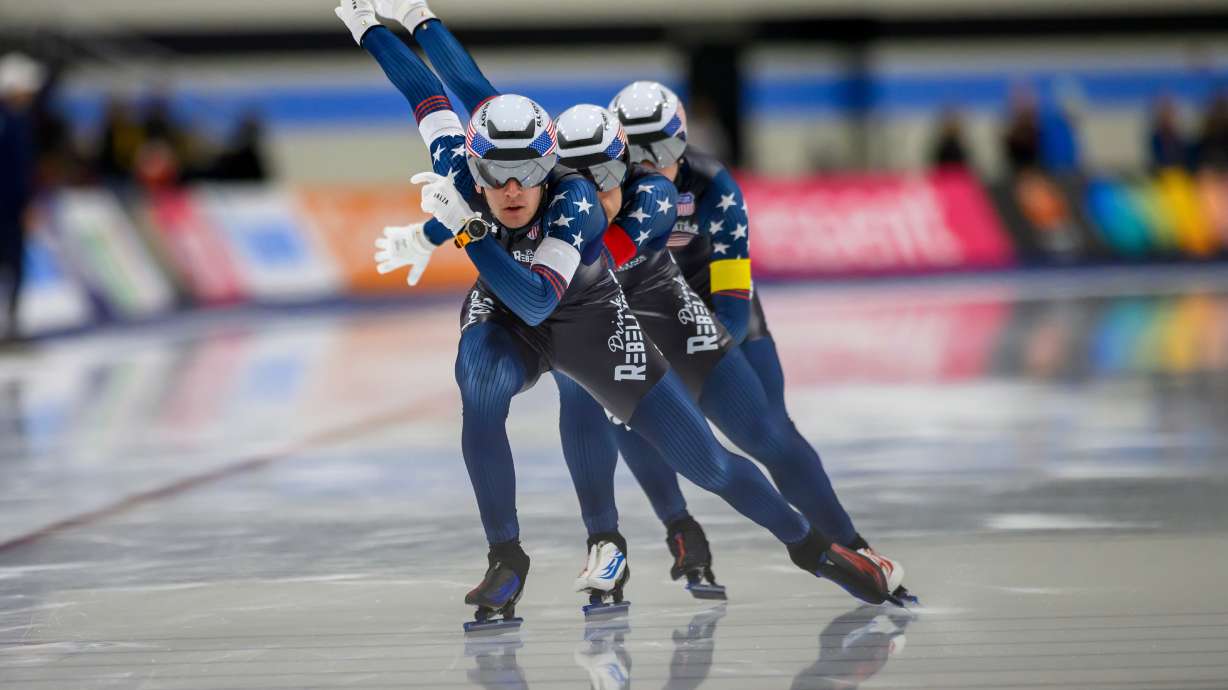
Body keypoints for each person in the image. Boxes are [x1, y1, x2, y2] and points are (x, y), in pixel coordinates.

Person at [335, 0, 903, 630]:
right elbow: (443, 96)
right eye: (499, 173)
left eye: (611, 170)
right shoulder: (486, 164)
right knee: (481, 382)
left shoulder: (617, 200)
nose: (515, 188)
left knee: (712, 457)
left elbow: (542, 298)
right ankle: (540, 550)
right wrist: (386, 23)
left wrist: (460, 232)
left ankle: (816, 547)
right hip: (522, 303)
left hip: (594, 302)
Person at [548, 100, 910, 602]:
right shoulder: (575, 191)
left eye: (667, 147)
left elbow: (734, 307)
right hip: (635, 309)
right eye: (641, 152)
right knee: (612, 405)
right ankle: (677, 527)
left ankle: (852, 546)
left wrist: (705, 363)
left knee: (767, 432)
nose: (655, 162)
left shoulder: (707, 182)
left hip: (709, 301)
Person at [0, 53, 45, 342]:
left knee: (15, 264)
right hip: (7, 206)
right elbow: (16, 170)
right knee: (12, 263)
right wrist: (26, 203)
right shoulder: (10, 121)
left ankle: (13, 319)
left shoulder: (20, 120)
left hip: (13, 206)